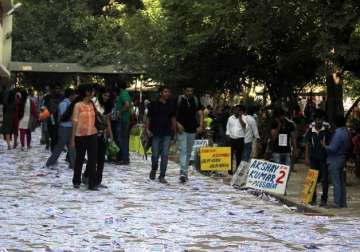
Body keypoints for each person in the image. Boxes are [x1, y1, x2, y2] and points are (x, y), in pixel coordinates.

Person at [83, 87, 114, 188]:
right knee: (93, 158)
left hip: (103, 134)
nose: (106, 98)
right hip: (92, 133)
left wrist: (110, 134)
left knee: (101, 158)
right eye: (105, 95)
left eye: (108, 96)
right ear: (101, 95)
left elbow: (108, 121)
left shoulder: (108, 106)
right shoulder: (94, 102)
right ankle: (87, 176)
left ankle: (97, 181)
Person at [70, 84, 98, 190]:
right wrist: (72, 139)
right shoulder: (78, 105)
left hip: (92, 134)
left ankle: (92, 183)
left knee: (92, 160)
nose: (93, 93)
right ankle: (76, 180)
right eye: (92, 91)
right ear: (87, 92)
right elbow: (75, 122)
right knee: (80, 159)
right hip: (80, 136)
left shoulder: (92, 104)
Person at [146, 86, 176, 184]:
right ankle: (154, 168)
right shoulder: (153, 104)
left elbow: (173, 119)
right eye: (165, 92)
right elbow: (148, 118)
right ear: (161, 93)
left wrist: (174, 132)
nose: (167, 94)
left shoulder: (171, 105)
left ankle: (162, 175)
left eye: (168, 92)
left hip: (167, 133)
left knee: (165, 155)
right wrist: (147, 129)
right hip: (155, 133)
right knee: (155, 155)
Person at [322, 115, 352, 208]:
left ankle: (337, 203)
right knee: (341, 182)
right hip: (342, 158)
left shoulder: (338, 134)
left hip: (335, 159)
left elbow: (332, 148)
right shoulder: (346, 132)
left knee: (336, 182)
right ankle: (343, 203)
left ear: (335, 123)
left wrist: (324, 146)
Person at [176, 85, 204, 183]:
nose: (190, 93)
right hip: (181, 129)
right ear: (184, 90)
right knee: (183, 151)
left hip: (192, 129)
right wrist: (177, 124)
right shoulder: (178, 100)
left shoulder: (195, 100)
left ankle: (185, 172)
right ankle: (183, 173)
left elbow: (200, 112)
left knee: (188, 152)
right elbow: (172, 114)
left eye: (191, 91)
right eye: (188, 91)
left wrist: (201, 124)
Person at [304, 109, 331, 206]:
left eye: (320, 119)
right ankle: (312, 197)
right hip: (313, 158)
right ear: (315, 120)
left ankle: (324, 200)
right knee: (312, 178)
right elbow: (307, 143)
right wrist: (306, 156)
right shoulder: (310, 131)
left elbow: (330, 145)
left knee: (324, 179)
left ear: (323, 120)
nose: (318, 121)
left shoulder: (327, 131)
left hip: (324, 158)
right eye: (317, 119)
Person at [45, 88, 77, 169]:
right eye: (74, 95)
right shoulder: (64, 104)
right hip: (64, 128)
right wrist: (73, 118)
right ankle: (49, 163)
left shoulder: (70, 103)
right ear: (71, 95)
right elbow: (62, 117)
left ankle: (74, 165)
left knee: (72, 147)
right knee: (59, 147)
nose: (75, 96)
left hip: (70, 127)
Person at [226, 105, 247, 173]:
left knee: (239, 156)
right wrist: (228, 136)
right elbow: (228, 128)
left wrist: (240, 118)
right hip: (231, 139)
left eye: (239, 110)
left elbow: (245, 127)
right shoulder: (230, 118)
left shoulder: (244, 118)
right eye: (236, 110)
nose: (237, 111)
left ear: (241, 111)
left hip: (240, 139)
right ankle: (229, 170)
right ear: (234, 110)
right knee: (229, 155)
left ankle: (237, 170)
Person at [114, 82, 131, 165]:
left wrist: (119, 113)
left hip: (123, 119)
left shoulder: (123, 93)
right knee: (124, 139)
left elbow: (127, 105)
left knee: (122, 139)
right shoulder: (124, 93)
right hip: (124, 119)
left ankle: (124, 158)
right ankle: (125, 157)